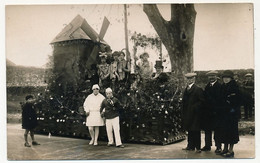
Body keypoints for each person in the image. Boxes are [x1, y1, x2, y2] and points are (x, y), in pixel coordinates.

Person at [181, 73, 205, 153]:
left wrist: (194, 107)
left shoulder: (198, 89)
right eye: (188, 79)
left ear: (194, 79)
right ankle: (190, 146)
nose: (189, 80)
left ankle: (198, 147)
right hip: (188, 113)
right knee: (189, 129)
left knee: (196, 130)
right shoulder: (186, 89)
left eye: (191, 79)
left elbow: (202, 101)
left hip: (195, 114)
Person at [219, 70, 240, 157]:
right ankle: (225, 148)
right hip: (224, 113)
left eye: (227, 77)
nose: (226, 79)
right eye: (224, 77)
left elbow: (237, 100)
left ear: (231, 78)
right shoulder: (223, 86)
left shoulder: (235, 86)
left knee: (231, 131)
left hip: (232, 113)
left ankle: (231, 150)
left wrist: (232, 109)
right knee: (224, 131)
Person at [202, 70, 222, 153]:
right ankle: (207, 145)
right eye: (209, 76)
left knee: (217, 130)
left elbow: (220, 100)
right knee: (207, 129)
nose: (211, 78)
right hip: (208, 113)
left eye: (213, 76)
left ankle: (218, 146)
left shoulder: (220, 86)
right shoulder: (207, 86)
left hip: (216, 112)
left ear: (216, 77)